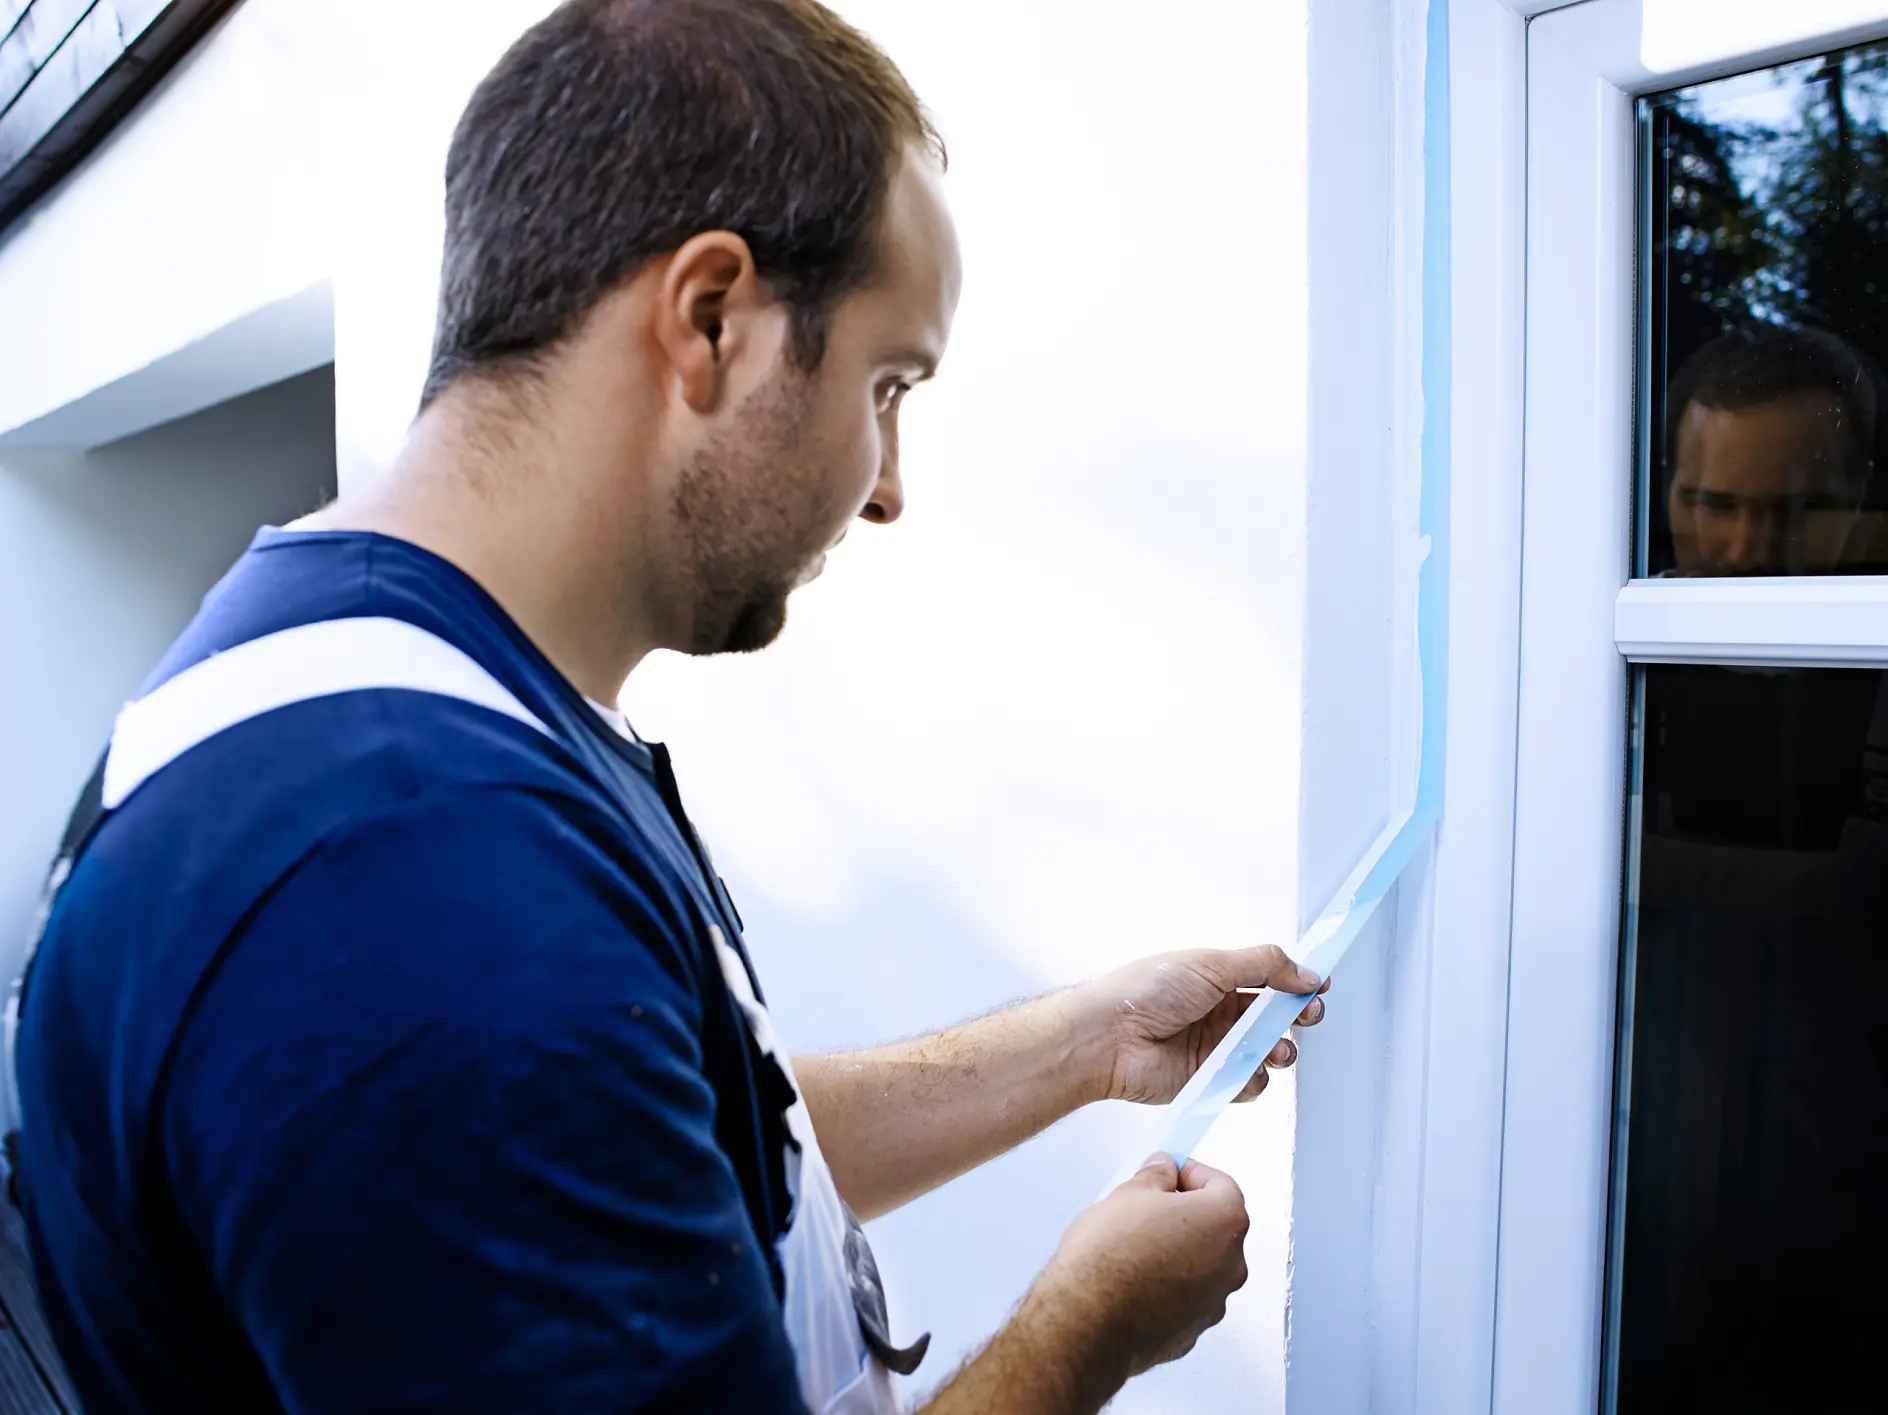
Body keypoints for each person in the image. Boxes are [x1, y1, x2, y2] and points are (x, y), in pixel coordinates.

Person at [9, 3, 1328, 1413]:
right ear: (710, 320)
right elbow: (521, 1071)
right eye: (888, 383)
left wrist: (1083, 1046)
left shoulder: (383, 683)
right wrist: (1089, 1324)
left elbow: (641, 1139)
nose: (888, 484)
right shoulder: (413, 875)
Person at [1663, 324, 1877, 575]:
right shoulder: (1617, 610)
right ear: (1667, 489)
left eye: (1793, 510)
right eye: (1715, 505)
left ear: (1861, 497)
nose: (1744, 553)